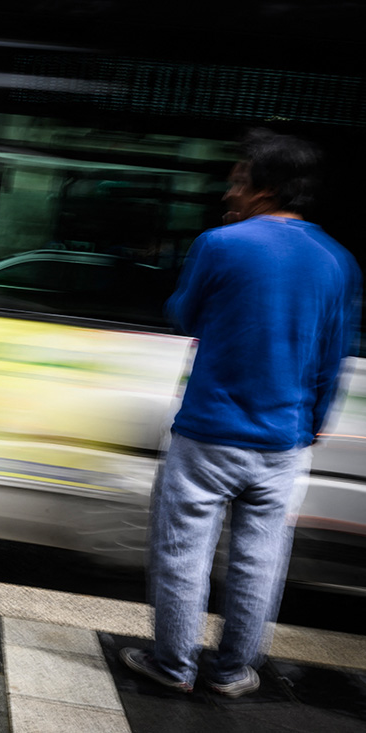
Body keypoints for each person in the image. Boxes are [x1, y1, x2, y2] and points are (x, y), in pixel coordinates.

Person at [121, 129, 361, 697]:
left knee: (183, 553)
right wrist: (312, 424)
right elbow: (335, 354)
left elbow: (184, 314)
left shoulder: (220, 244)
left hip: (209, 434)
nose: (229, 190)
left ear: (264, 187)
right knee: (261, 561)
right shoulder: (338, 260)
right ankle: (232, 672)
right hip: (286, 442)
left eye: (236, 179)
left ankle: (173, 666)